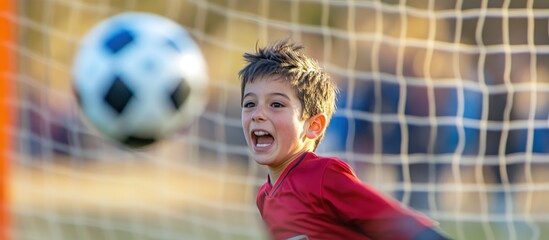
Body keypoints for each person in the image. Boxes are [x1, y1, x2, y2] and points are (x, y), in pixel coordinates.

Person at [239, 38, 450, 240]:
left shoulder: (322, 175)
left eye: (276, 104)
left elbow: (393, 221)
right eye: (250, 104)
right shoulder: (264, 198)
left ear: (313, 126)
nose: (258, 114)